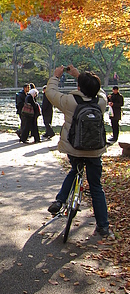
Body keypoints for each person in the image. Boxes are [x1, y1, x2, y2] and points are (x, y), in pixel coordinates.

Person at [45, 65, 113, 239]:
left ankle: (60, 200)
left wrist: (56, 76)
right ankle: (103, 226)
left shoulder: (70, 101)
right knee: (96, 186)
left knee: (74, 169)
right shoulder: (101, 102)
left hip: (74, 148)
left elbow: (51, 93)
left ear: (79, 87)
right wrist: (79, 76)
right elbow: (101, 92)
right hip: (95, 151)